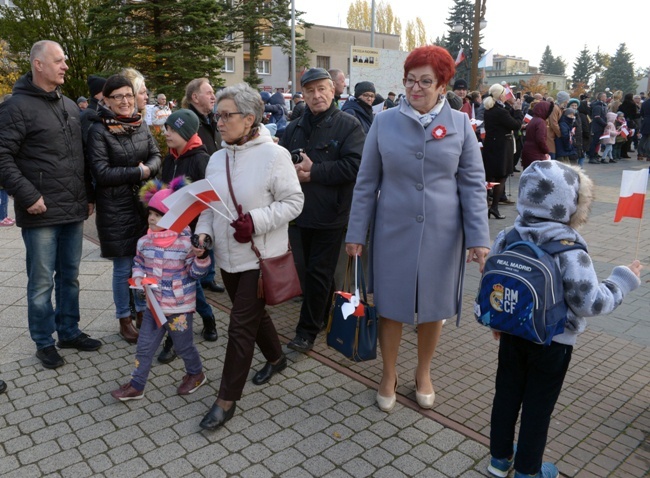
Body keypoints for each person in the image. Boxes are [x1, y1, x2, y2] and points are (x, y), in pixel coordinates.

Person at [345, 45, 490, 412]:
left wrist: (478, 239)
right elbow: (365, 182)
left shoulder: (460, 125)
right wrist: (355, 233)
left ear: (443, 85)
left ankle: (423, 372)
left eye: (426, 81)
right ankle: (388, 373)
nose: (416, 88)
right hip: (392, 229)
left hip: (444, 233)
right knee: (391, 305)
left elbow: (473, 183)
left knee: (433, 306)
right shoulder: (384, 121)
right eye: (410, 80)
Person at [486, 160, 642, 478]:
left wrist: (499, 320)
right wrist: (622, 280)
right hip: (554, 341)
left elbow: (494, 276)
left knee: (506, 394)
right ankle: (529, 471)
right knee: (537, 407)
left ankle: (499, 460)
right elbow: (589, 303)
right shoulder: (570, 249)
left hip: (513, 332)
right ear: (571, 203)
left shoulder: (508, 234)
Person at [194, 83, 304, 430]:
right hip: (226, 257)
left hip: (261, 257)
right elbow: (210, 206)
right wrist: (203, 232)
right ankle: (276, 358)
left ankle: (226, 400)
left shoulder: (275, 155)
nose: (220, 122)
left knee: (240, 327)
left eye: (226, 116)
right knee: (253, 317)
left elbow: (294, 202)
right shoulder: (216, 157)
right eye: (217, 115)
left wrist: (255, 221)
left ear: (250, 119)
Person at [0, 40, 100, 369]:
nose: (65, 66)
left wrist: (88, 195)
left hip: (72, 210)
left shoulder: (71, 106)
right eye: (58, 61)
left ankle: (68, 331)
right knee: (41, 282)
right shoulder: (15, 108)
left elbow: (80, 157)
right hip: (40, 213)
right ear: (38, 65)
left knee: (69, 277)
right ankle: (44, 341)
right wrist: (28, 196)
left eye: (65, 61)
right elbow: (2, 157)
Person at [279, 68, 365, 353]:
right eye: (310, 90)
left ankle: (307, 331)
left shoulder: (349, 125)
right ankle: (324, 311)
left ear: (333, 90)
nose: (317, 96)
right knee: (309, 273)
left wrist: (315, 171)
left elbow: (355, 167)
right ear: (302, 94)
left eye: (322, 89)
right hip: (297, 213)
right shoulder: (293, 127)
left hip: (331, 214)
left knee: (318, 272)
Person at [111, 180, 211, 401]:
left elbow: (196, 274)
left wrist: (201, 257)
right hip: (154, 307)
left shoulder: (186, 244)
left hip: (179, 308)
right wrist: (138, 277)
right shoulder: (144, 242)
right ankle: (137, 384)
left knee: (184, 346)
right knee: (144, 347)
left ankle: (196, 373)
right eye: (151, 214)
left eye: (159, 214)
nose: (152, 218)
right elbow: (138, 262)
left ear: (174, 217)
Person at [86, 74, 161, 344]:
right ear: (106, 100)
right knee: (123, 267)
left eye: (129, 95)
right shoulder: (98, 130)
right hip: (115, 209)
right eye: (118, 96)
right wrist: (139, 171)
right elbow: (102, 172)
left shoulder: (139, 124)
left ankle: (142, 313)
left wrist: (147, 169)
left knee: (143, 264)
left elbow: (156, 156)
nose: (125, 101)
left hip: (142, 206)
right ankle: (124, 319)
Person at [156, 109, 218, 364]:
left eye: (170, 129)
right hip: (169, 232)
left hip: (191, 237)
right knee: (179, 286)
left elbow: (210, 202)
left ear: (183, 131)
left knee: (183, 286)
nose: (166, 133)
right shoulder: (169, 159)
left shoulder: (201, 160)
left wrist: (201, 239)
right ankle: (204, 318)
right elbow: (162, 193)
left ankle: (184, 332)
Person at [180, 78, 225, 294]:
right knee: (200, 231)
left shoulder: (211, 120)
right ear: (195, 97)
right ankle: (200, 274)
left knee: (211, 227)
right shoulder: (189, 123)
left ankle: (208, 275)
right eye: (209, 92)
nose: (213, 96)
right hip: (196, 185)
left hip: (213, 183)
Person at [482, 83, 523, 219]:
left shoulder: (491, 109)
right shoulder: (500, 111)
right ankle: (494, 207)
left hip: (491, 145)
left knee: (490, 176)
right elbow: (516, 125)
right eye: (504, 93)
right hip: (501, 147)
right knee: (501, 176)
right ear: (500, 95)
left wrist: (512, 108)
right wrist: (518, 110)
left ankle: (485, 206)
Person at [521, 101, 552, 169]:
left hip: (528, 151)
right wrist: (546, 151)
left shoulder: (533, 120)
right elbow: (540, 139)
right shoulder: (541, 122)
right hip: (536, 154)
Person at [80, 75, 107, 144]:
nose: (108, 93)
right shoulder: (89, 114)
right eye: (104, 91)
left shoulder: (100, 111)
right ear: (96, 94)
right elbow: (89, 141)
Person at [587, 92, 608, 164]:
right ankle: (591, 157)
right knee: (594, 142)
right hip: (597, 127)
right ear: (601, 98)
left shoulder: (602, 105)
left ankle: (595, 155)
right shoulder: (598, 106)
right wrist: (605, 124)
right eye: (605, 96)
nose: (606, 98)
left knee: (597, 142)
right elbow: (597, 117)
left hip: (600, 127)